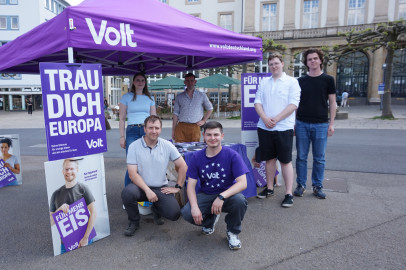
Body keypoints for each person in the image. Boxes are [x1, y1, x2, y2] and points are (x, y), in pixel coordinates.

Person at [181, 121, 248, 250]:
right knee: (187, 213)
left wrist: (221, 197)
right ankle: (210, 220)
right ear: (203, 136)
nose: (212, 138)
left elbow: (243, 183)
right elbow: (190, 186)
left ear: (222, 136)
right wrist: (194, 207)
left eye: (216, 134)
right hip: (206, 194)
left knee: (240, 201)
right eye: (209, 135)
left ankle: (233, 232)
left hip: (227, 194)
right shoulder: (196, 157)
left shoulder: (232, 155)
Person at [121, 115, 187, 236]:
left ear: (160, 129)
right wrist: (147, 190)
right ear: (145, 129)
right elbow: (132, 174)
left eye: (157, 128)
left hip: (159, 187)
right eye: (151, 128)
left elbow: (183, 166)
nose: (154, 131)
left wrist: (178, 187)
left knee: (174, 214)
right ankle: (134, 221)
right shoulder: (134, 146)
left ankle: (156, 208)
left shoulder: (167, 145)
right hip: (140, 187)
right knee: (127, 193)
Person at [253, 52, 301, 208]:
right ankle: (269, 188)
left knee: (285, 161)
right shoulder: (264, 82)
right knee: (269, 160)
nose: (273, 66)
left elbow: (293, 104)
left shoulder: (292, 82)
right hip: (264, 126)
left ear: (282, 63)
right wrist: (266, 118)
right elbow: (257, 103)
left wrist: (276, 119)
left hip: (283, 127)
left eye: (276, 63)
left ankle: (288, 194)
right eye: (271, 64)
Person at [294, 48, 336, 199]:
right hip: (302, 123)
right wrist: (294, 123)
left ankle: (317, 186)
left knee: (319, 158)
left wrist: (331, 123)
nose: (312, 61)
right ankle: (301, 184)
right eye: (309, 59)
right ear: (306, 63)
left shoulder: (328, 80)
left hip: (321, 124)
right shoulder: (300, 81)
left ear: (320, 60)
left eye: (315, 58)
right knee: (301, 157)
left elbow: (332, 103)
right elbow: (295, 104)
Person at [49, 159, 97, 254]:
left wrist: (85, 238)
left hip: (85, 240)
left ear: (77, 170)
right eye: (66, 169)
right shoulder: (55, 194)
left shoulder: (83, 189)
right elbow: (51, 222)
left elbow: (94, 213)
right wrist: (59, 210)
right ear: (63, 171)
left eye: (72, 169)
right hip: (65, 244)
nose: (69, 172)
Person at [119, 73, 156, 186]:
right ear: (133, 82)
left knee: (146, 162)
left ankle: (144, 191)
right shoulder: (126, 97)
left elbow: (154, 118)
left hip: (147, 131)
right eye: (138, 80)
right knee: (132, 163)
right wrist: (122, 137)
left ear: (145, 83)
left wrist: (155, 133)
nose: (140, 82)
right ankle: (128, 195)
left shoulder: (150, 98)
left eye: (142, 80)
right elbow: (121, 118)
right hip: (132, 131)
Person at [172, 73, 213, 142]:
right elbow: (175, 113)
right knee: (179, 148)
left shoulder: (202, 95)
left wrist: (204, 120)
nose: (190, 83)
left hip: (195, 126)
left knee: (194, 148)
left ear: (195, 81)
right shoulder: (179, 97)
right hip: (181, 126)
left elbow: (210, 108)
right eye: (187, 81)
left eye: (191, 80)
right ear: (185, 82)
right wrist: (173, 130)